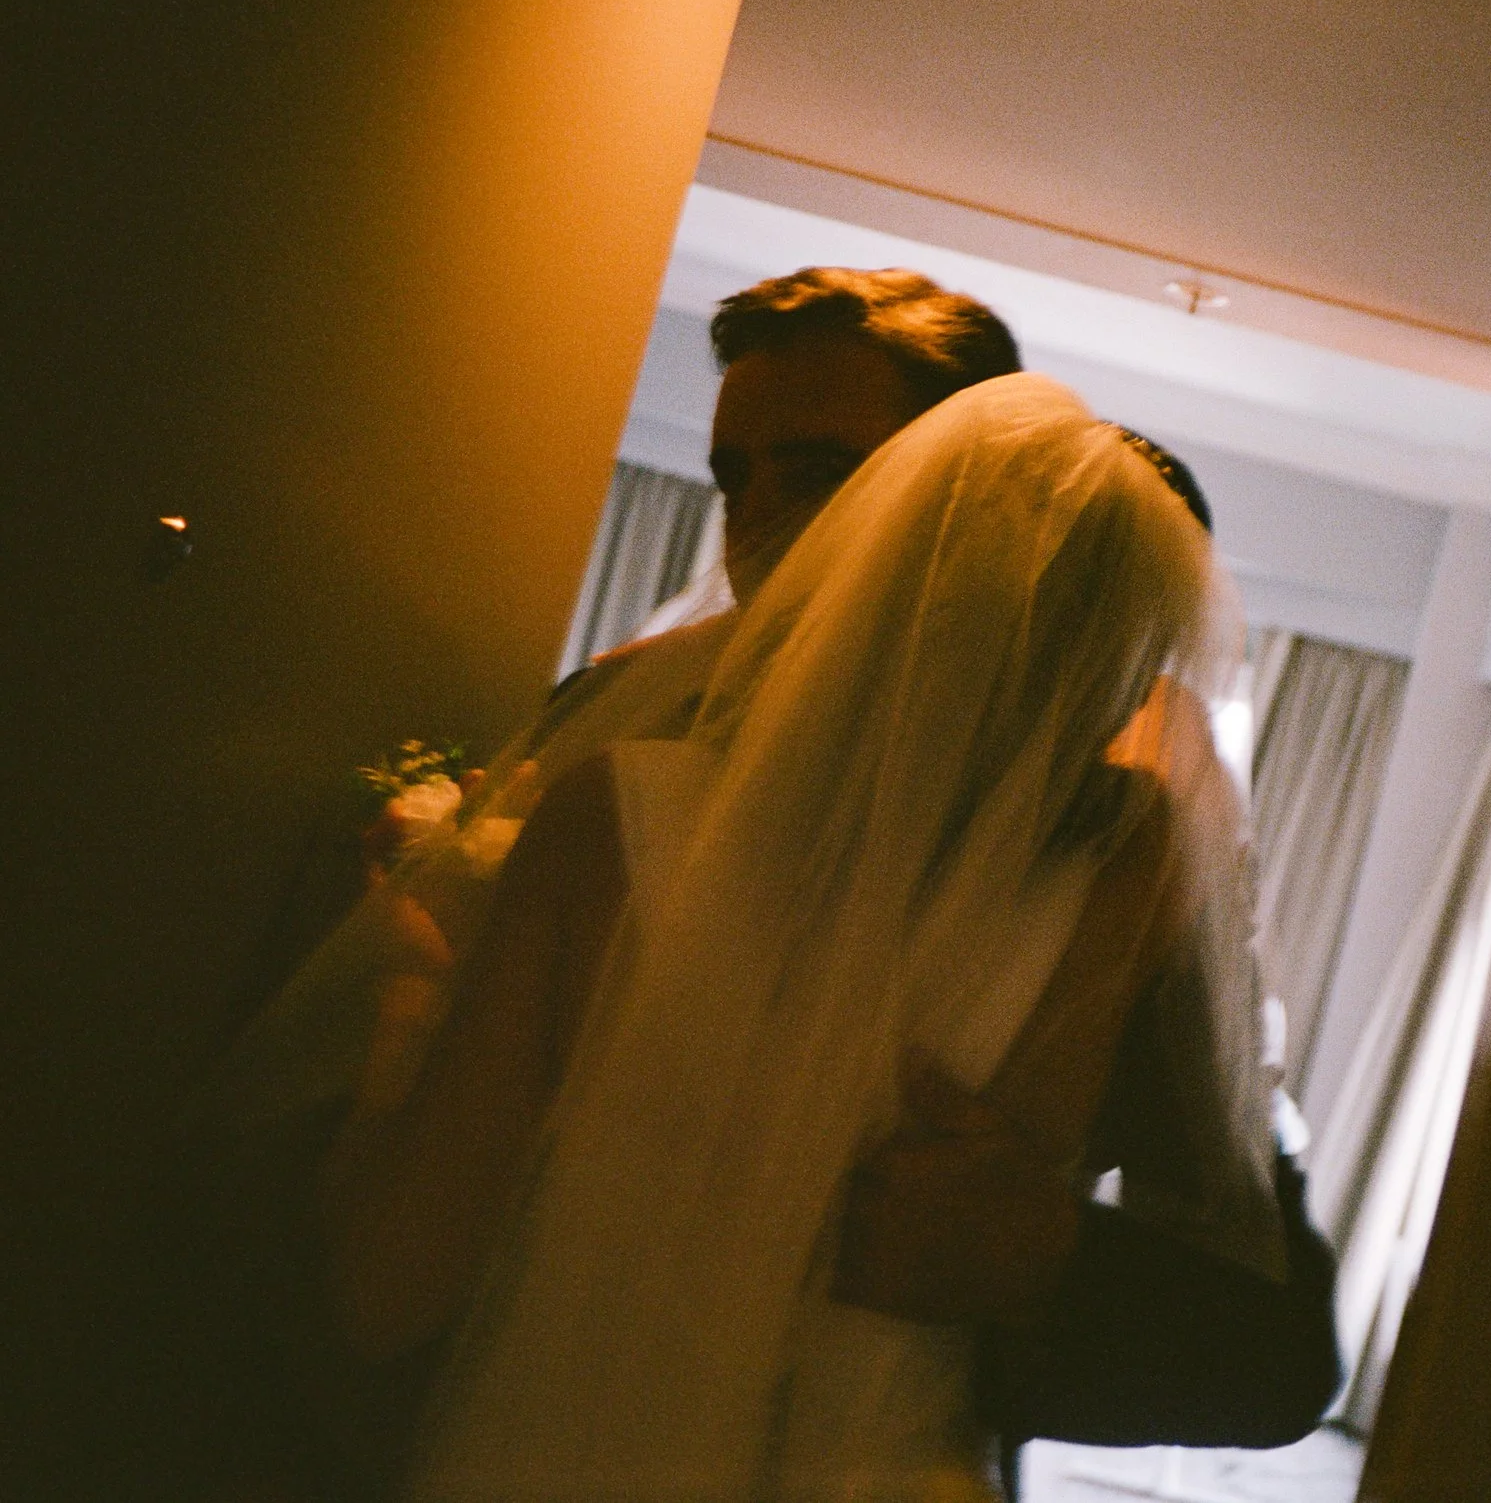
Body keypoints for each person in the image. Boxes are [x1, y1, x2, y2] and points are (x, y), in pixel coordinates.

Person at [196, 270, 1335, 1495]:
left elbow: (1270, 1352)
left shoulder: (1118, 841)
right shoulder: (615, 726)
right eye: (735, 477)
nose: (758, 524)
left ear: (966, 495)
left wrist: (1044, 1257)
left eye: (821, 473)